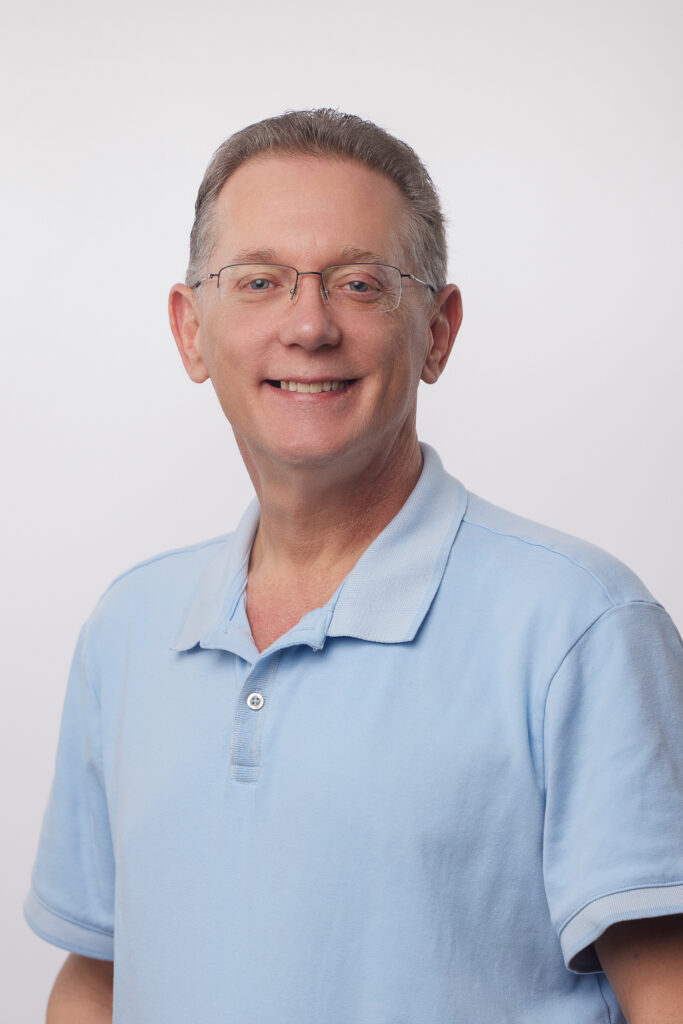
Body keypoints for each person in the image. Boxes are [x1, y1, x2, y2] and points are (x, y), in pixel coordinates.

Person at [26, 109, 683, 1024]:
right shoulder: (129, 628)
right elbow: (95, 978)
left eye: (360, 284)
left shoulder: (580, 624)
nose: (308, 324)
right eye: (258, 281)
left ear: (437, 332)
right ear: (191, 331)